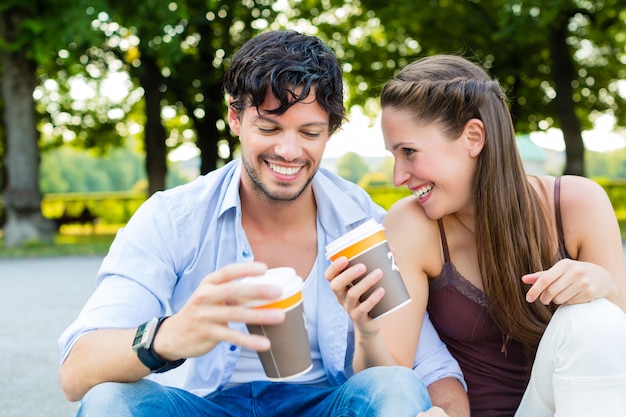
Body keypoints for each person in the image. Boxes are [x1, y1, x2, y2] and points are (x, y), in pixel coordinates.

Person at [58, 31, 470, 417]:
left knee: (394, 387)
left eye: (309, 132)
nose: (289, 151)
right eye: (269, 127)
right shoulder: (173, 219)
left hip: (325, 404)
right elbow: (77, 372)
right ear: (236, 119)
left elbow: (432, 370)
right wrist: (168, 336)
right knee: (111, 400)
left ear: (330, 131)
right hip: (203, 405)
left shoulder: (359, 223)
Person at [379, 53, 626, 417]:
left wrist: (602, 284)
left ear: (473, 137)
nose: (398, 177)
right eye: (393, 156)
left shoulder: (578, 204)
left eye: (410, 152)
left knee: (592, 317)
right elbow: (391, 374)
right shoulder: (411, 225)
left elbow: (613, 353)